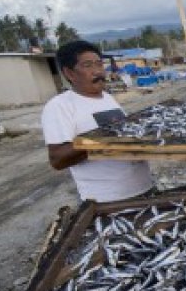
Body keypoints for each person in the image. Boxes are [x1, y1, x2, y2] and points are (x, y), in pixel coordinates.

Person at [41, 40, 153, 202]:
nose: (98, 71)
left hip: (143, 189)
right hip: (107, 200)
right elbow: (57, 160)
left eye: (99, 64)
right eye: (88, 65)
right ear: (69, 73)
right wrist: (102, 138)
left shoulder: (108, 98)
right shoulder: (59, 106)